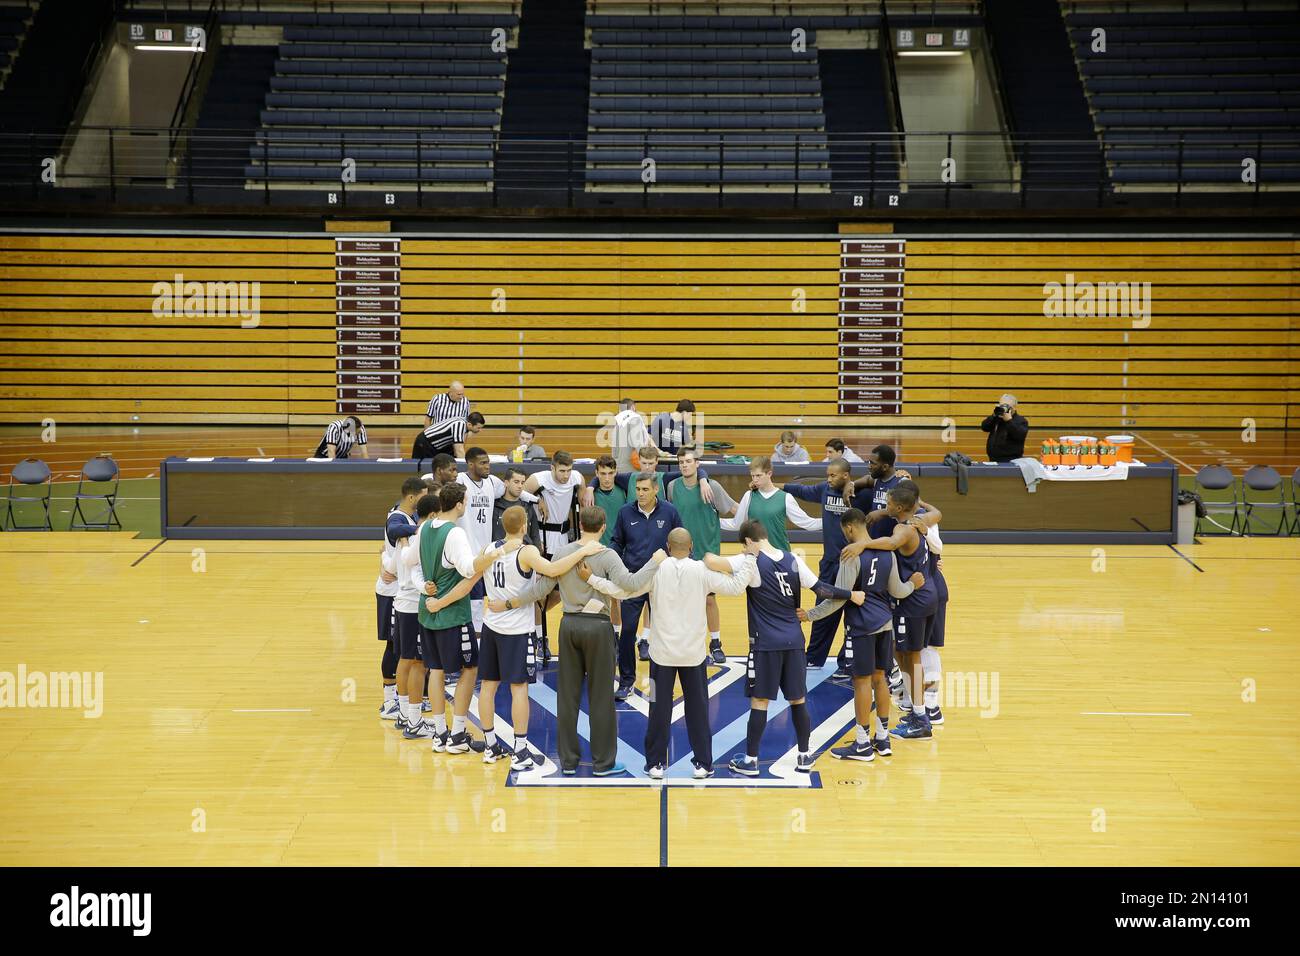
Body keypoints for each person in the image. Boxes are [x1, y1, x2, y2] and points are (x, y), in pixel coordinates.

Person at [492, 506, 667, 776]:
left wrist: (508, 603)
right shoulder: (607, 555)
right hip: (598, 628)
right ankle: (603, 763)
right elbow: (631, 585)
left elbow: (541, 589)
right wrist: (655, 561)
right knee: (600, 697)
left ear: (580, 526)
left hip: (569, 625)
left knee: (568, 697)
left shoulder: (562, 554)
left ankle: (569, 762)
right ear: (603, 526)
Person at [585, 527, 751, 779]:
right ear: (691, 545)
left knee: (658, 709)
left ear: (667, 546)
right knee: (698, 710)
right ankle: (703, 764)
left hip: (661, 656)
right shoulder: (703, 571)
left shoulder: (656, 570)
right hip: (693, 656)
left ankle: (655, 764)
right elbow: (738, 586)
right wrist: (750, 557)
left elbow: (622, 591)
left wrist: (591, 579)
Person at [722, 520, 863, 777]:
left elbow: (713, 562)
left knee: (760, 700)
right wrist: (851, 595)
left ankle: (751, 760)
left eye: (744, 547)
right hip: (795, 641)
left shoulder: (749, 562)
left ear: (749, 542)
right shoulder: (792, 560)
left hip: (765, 643)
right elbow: (822, 589)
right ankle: (804, 755)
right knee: (798, 699)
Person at [477, 506, 606, 771]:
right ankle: (520, 750)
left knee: (488, 686)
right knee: (519, 688)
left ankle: (490, 745)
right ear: (524, 525)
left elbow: (474, 569)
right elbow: (552, 568)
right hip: (516, 629)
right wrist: (581, 551)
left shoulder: (490, 548)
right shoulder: (527, 551)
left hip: (491, 624)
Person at [803, 508, 923, 762]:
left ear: (848, 528)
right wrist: (914, 583)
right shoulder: (887, 552)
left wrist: (809, 615)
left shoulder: (849, 556)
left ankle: (861, 744)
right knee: (881, 680)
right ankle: (882, 738)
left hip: (861, 627)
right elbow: (899, 591)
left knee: (861, 682)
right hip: (885, 625)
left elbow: (837, 601)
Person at [402, 482, 503, 752]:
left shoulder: (424, 527)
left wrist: (424, 586)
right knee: (469, 669)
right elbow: (468, 568)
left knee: (435, 670)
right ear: (459, 504)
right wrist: (492, 556)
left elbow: (409, 560)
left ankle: (439, 733)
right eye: (466, 501)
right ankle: (458, 733)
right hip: (452, 614)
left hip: (427, 611)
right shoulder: (455, 533)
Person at [839, 483, 937, 740]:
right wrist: (914, 504)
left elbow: (893, 543)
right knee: (903, 656)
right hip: (924, 597)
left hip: (913, 601)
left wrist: (863, 546)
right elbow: (937, 513)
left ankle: (921, 717)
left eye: (889, 503)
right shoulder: (918, 519)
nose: (885, 506)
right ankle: (918, 711)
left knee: (912, 659)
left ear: (900, 507)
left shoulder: (903, 529)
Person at [784, 458, 858, 676]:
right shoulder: (825, 490)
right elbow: (801, 490)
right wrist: (772, 486)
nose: (828, 479)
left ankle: (847, 662)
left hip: (853, 563)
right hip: (829, 562)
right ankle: (814, 658)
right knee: (825, 607)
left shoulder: (858, 494)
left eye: (833, 475)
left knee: (853, 614)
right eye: (827, 475)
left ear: (845, 475)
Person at [610, 474, 683, 696]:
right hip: (634, 581)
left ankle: (660, 683)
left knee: (664, 632)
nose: (640, 493)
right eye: (638, 489)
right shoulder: (625, 512)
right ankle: (626, 681)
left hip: (664, 581)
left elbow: (680, 539)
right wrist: (613, 562)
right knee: (628, 631)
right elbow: (616, 542)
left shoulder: (670, 511)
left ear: (655, 490)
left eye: (644, 489)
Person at [666, 447, 739, 664]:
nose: (684, 465)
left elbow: (734, 509)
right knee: (680, 601)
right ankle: (682, 643)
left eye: (688, 461)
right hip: (680, 554)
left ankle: (715, 642)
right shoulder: (672, 487)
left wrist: (752, 531)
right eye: (681, 462)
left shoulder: (712, 486)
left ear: (698, 463)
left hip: (708, 554)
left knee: (708, 600)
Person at [391, 492, 441, 737]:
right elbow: (416, 571)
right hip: (414, 605)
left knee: (405, 659)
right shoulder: (423, 536)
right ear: (433, 515)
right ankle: (413, 721)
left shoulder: (405, 537)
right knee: (418, 663)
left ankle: (403, 715)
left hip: (401, 602)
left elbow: (393, 565)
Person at [376, 477, 425, 721]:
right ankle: (389, 701)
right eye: (423, 494)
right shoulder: (398, 517)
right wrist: (421, 528)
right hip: (393, 591)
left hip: (400, 589)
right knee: (394, 646)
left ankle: (401, 699)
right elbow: (393, 530)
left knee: (403, 649)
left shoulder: (408, 517)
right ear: (412, 497)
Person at [720, 455, 821, 552]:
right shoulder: (748, 496)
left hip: (780, 554)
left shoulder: (785, 498)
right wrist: (712, 520)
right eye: (752, 476)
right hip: (756, 555)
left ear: (769, 474)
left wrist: (831, 520)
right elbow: (736, 524)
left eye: (758, 475)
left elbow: (808, 524)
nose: (755, 479)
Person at [413, 411, 485, 461]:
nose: (480, 430)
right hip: (425, 443)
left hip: (434, 445)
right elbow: (459, 450)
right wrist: (466, 468)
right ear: (470, 424)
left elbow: (456, 450)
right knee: (422, 469)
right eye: (478, 428)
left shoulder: (464, 421)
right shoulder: (459, 424)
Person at [980, 393, 1029, 462]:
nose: (1004, 408)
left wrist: (1009, 421)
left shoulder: (1021, 420)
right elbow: (984, 427)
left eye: (1007, 406)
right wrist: (993, 415)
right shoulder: (997, 418)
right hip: (993, 459)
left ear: (1014, 407)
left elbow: (1020, 435)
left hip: (1011, 461)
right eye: (1001, 405)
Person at [607, 397, 646, 473]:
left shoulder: (617, 423)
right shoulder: (634, 418)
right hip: (633, 469)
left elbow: (614, 452)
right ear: (633, 407)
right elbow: (638, 444)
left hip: (619, 468)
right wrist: (647, 461)